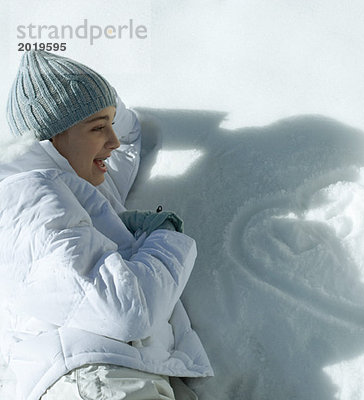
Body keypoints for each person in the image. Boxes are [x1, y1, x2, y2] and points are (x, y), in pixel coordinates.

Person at [0, 51, 213, 400]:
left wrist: (93, 100)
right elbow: (124, 311)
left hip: (118, 371)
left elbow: (129, 138)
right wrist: (165, 237)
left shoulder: (84, 180)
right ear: (51, 138)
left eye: (111, 124)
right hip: (98, 380)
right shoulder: (27, 197)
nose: (113, 141)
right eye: (99, 128)